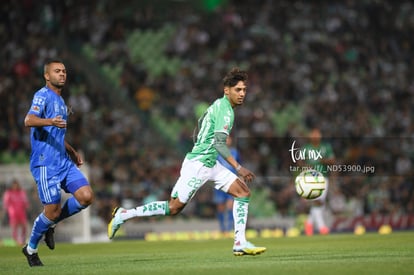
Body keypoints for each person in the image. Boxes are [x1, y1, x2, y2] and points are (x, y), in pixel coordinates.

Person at [108, 68, 266, 256]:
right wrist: (238, 167)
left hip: (210, 162)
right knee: (173, 207)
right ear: (226, 90)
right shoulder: (226, 111)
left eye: (244, 90)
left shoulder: (217, 105)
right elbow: (220, 143)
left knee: (242, 192)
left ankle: (240, 242)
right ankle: (124, 215)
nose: (242, 94)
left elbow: (202, 127)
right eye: (238, 90)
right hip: (199, 164)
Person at [22, 60, 94, 267]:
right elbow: (29, 120)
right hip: (46, 164)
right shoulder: (42, 95)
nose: (62, 74)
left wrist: (71, 151)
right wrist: (49, 121)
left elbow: (56, 134)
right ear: (47, 76)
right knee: (51, 211)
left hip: (63, 161)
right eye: (57, 71)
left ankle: (50, 224)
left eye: (64, 71)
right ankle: (31, 249)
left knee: (86, 197)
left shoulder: (61, 103)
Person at [302, 127, 335, 235]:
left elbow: (332, 161)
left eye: (317, 134)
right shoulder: (306, 148)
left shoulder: (325, 147)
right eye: (313, 134)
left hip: (323, 176)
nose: (315, 136)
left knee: (320, 202)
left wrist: (323, 160)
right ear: (310, 136)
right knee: (318, 201)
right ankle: (322, 227)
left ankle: (309, 223)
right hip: (311, 177)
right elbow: (299, 162)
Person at [214, 135, 239, 234]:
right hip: (219, 183)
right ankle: (222, 229)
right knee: (220, 206)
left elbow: (238, 165)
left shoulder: (235, 152)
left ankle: (229, 229)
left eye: (229, 138)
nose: (228, 140)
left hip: (231, 182)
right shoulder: (217, 153)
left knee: (230, 205)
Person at [2, 179, 29, 245]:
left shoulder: (21, 192)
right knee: (14, 227)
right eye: (14, 185)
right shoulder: (8, 193)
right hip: (13, 212)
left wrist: (26, 206)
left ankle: (23, 239)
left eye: (16, 185)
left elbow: (25, 201)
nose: (15, 186)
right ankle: (16, 240)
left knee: (24, 226)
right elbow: (6, 203)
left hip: (21, 212)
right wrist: (5, 211)